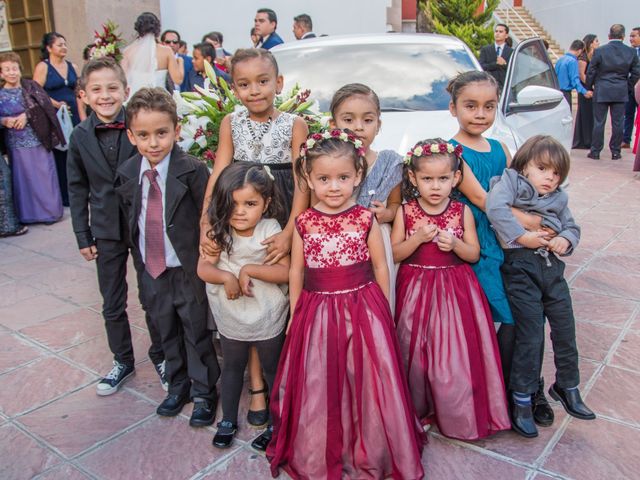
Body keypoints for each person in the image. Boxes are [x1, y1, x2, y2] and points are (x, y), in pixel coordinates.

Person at [267, 128, 424, 479]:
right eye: (324, 178)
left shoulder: (365, 218)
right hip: (318, 308)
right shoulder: (304, 222)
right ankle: (326, 445)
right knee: (322, 376)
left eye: (342, 178)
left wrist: (384, 308)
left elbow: (381, 265)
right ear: (308, 178)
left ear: (357, 177)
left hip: (363, 307)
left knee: (365, 374)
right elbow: (296, 270)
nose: (334, 187)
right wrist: (295, 312)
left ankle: (369, 443)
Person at [200, 48, 307, 432]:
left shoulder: (295, 124)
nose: (254, 90)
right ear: (234, 88)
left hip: (279, 211)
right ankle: (256, 387)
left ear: (278, 83)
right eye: (244, 84)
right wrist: (206, 219)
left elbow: (303, 181)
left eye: (263, 82)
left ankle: (277, 387)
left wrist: (291, 230)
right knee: (248, 295)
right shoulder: (232, 122)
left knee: (271, 293)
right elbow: (220, 170)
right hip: (243, 206)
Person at [448, 71, 554, 428]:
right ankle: (499, 389)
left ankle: (524, 386)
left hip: (510, 241)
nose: (480, 114)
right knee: (505, 315)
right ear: (453, 108)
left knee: (528, 313)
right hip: (481, 241)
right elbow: (483, 199)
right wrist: (529, 223)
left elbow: (514, 190)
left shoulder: (500, 148)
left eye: (488, 107)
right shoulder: (453, 153)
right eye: (471, 106)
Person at [391, 138, 510, 440]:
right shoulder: (406, 212)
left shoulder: (462, 211)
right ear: (413, 178)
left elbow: (473, 253)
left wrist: (456, 244)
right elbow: (394, 254)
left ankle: (454, 411)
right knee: (415, 351)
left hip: (455, 292)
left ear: (456, 179)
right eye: (427, 179)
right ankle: (418, 407)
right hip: (415, 290)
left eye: (443, 179)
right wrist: (416, 239)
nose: (435, 186)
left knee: (453, 352)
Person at [116, 87, 220, 426]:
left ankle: (205, 391)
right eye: (144, 135)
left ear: (176, 130)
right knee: (165, 330)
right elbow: (132, 219)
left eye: (162, 133)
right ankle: (178, 387)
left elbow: (208, 215)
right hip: (153, 269)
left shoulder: (192, 171)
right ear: (131, 136)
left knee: (195, 330)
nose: (154, 143)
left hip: (186, 268)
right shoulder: (128, 173)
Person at [486, 135, 595, 438]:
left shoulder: (558, 197)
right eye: (543, 168)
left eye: (557, 172)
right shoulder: (509, 181)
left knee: (565, 328)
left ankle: (567, 386)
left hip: (551, 268)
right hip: (520, 268)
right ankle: (522, 399)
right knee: (530, 334)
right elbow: (495, 208)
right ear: (524, 167)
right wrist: (522, 237)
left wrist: (565, 239)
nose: (550, 177)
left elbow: (572, 226)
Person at [67, 57, 165, 396]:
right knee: (111, 299)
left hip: (142, 222)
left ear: (125, 90)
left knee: (152, 294)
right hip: (105, 228)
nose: (105, 95)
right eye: (96, 89)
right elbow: (77, 187)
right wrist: (83, 234)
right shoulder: (79, 136)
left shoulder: (140, 127)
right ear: (83, 95)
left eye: (112, 88)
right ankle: (122, 360)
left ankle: (162, 356)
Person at [198, 162, 288, 449]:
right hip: (232, 313)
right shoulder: (219, 232)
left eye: (250, 203)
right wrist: (226, 276)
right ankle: (227, 420)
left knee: (272, 368)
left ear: (266, 203)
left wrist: (250, 269)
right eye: (232, 203)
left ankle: (277, 422)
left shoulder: (271, 229)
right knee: (234, 366)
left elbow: (285, 272)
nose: (240, 211)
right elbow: (203, 269)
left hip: (267, 313)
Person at [329, 83, 402, 308]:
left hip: (376, 242)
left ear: (378, 125)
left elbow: (396, 203)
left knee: (374, 305)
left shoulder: (389, 162)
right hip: (337, 241)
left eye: (368, 120)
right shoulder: (325, 162)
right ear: (333, 124)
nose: (358, 128)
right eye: (348, 120)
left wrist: (387, 213)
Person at [0, 52, 63, 225]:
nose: (12, 72)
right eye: (7, 69)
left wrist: (27, 115)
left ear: (20, 70)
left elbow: (45, 107)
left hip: (37, 138)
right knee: (23, 179)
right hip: (15, 143)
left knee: (44, 175)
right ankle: (28, 215)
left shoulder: (31, 87)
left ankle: (50, 213)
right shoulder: (0, 94)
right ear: (1, 73)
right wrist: (4, 121)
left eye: (14, 68)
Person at [33, 32, 84, 207]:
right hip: (55, 115)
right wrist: (56, 104)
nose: (64, 47)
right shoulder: (43, 67)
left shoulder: (72, 66)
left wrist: (81, 112)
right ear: (49, 48)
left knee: (76, 152)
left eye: (65, 44)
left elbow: (78, 91)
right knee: (61, 154)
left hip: (73, 113)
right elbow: (36, 92)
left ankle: (80, 189)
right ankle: (64, 194)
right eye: (59, 44)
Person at [586, 24, 640, 160]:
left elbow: (591, 70)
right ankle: (616, 151)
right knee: (618, 122)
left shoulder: (600, 51)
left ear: (609, 36)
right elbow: (636, 72)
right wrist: (627, 86)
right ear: (623, 36)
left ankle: (595, 151)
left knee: (599, 122)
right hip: (620, 89)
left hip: (602, 88)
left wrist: (590, 85)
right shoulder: (631, 52)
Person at [122, 12, 183, 99]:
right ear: (157, 29)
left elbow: (123, 80)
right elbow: (178, 80)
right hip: (160, 99)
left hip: (135, 98)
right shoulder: (166, 51)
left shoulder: (128, 52)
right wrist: (180, 62)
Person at [573, 34, 600, 149]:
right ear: (590, 43)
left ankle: (589, 139)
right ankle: (583, 140)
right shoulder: (583, 57)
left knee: (591, 114)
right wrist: (589, 87)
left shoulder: (595, 55)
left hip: (591, 87)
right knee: (585, 113)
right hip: (585, 89)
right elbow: (581, 74)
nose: (598, 43)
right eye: (596, 41)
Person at [555, 40, 592, 110]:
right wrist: (584, 91)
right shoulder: (572, 61)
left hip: (557, 91)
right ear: (580, 51)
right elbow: (574, 80)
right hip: (566, 93)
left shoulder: (561, 59)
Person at [479, 23, 513, 90]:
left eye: (500, 32)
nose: (497, 33)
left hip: (504, 87)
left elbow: (515, 70)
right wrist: (495, 64)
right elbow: (481, 66)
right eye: (496, 31)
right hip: (488, 85)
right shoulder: (485, 49)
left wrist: (504, 64)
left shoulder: (511, 51)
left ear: (506, 35)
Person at [622, 27, 640, 148]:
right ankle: (625, 140)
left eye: (634, 36)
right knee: (627, 114)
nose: (631, 39)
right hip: (629, 87)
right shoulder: (627, 52)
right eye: (630, 36)